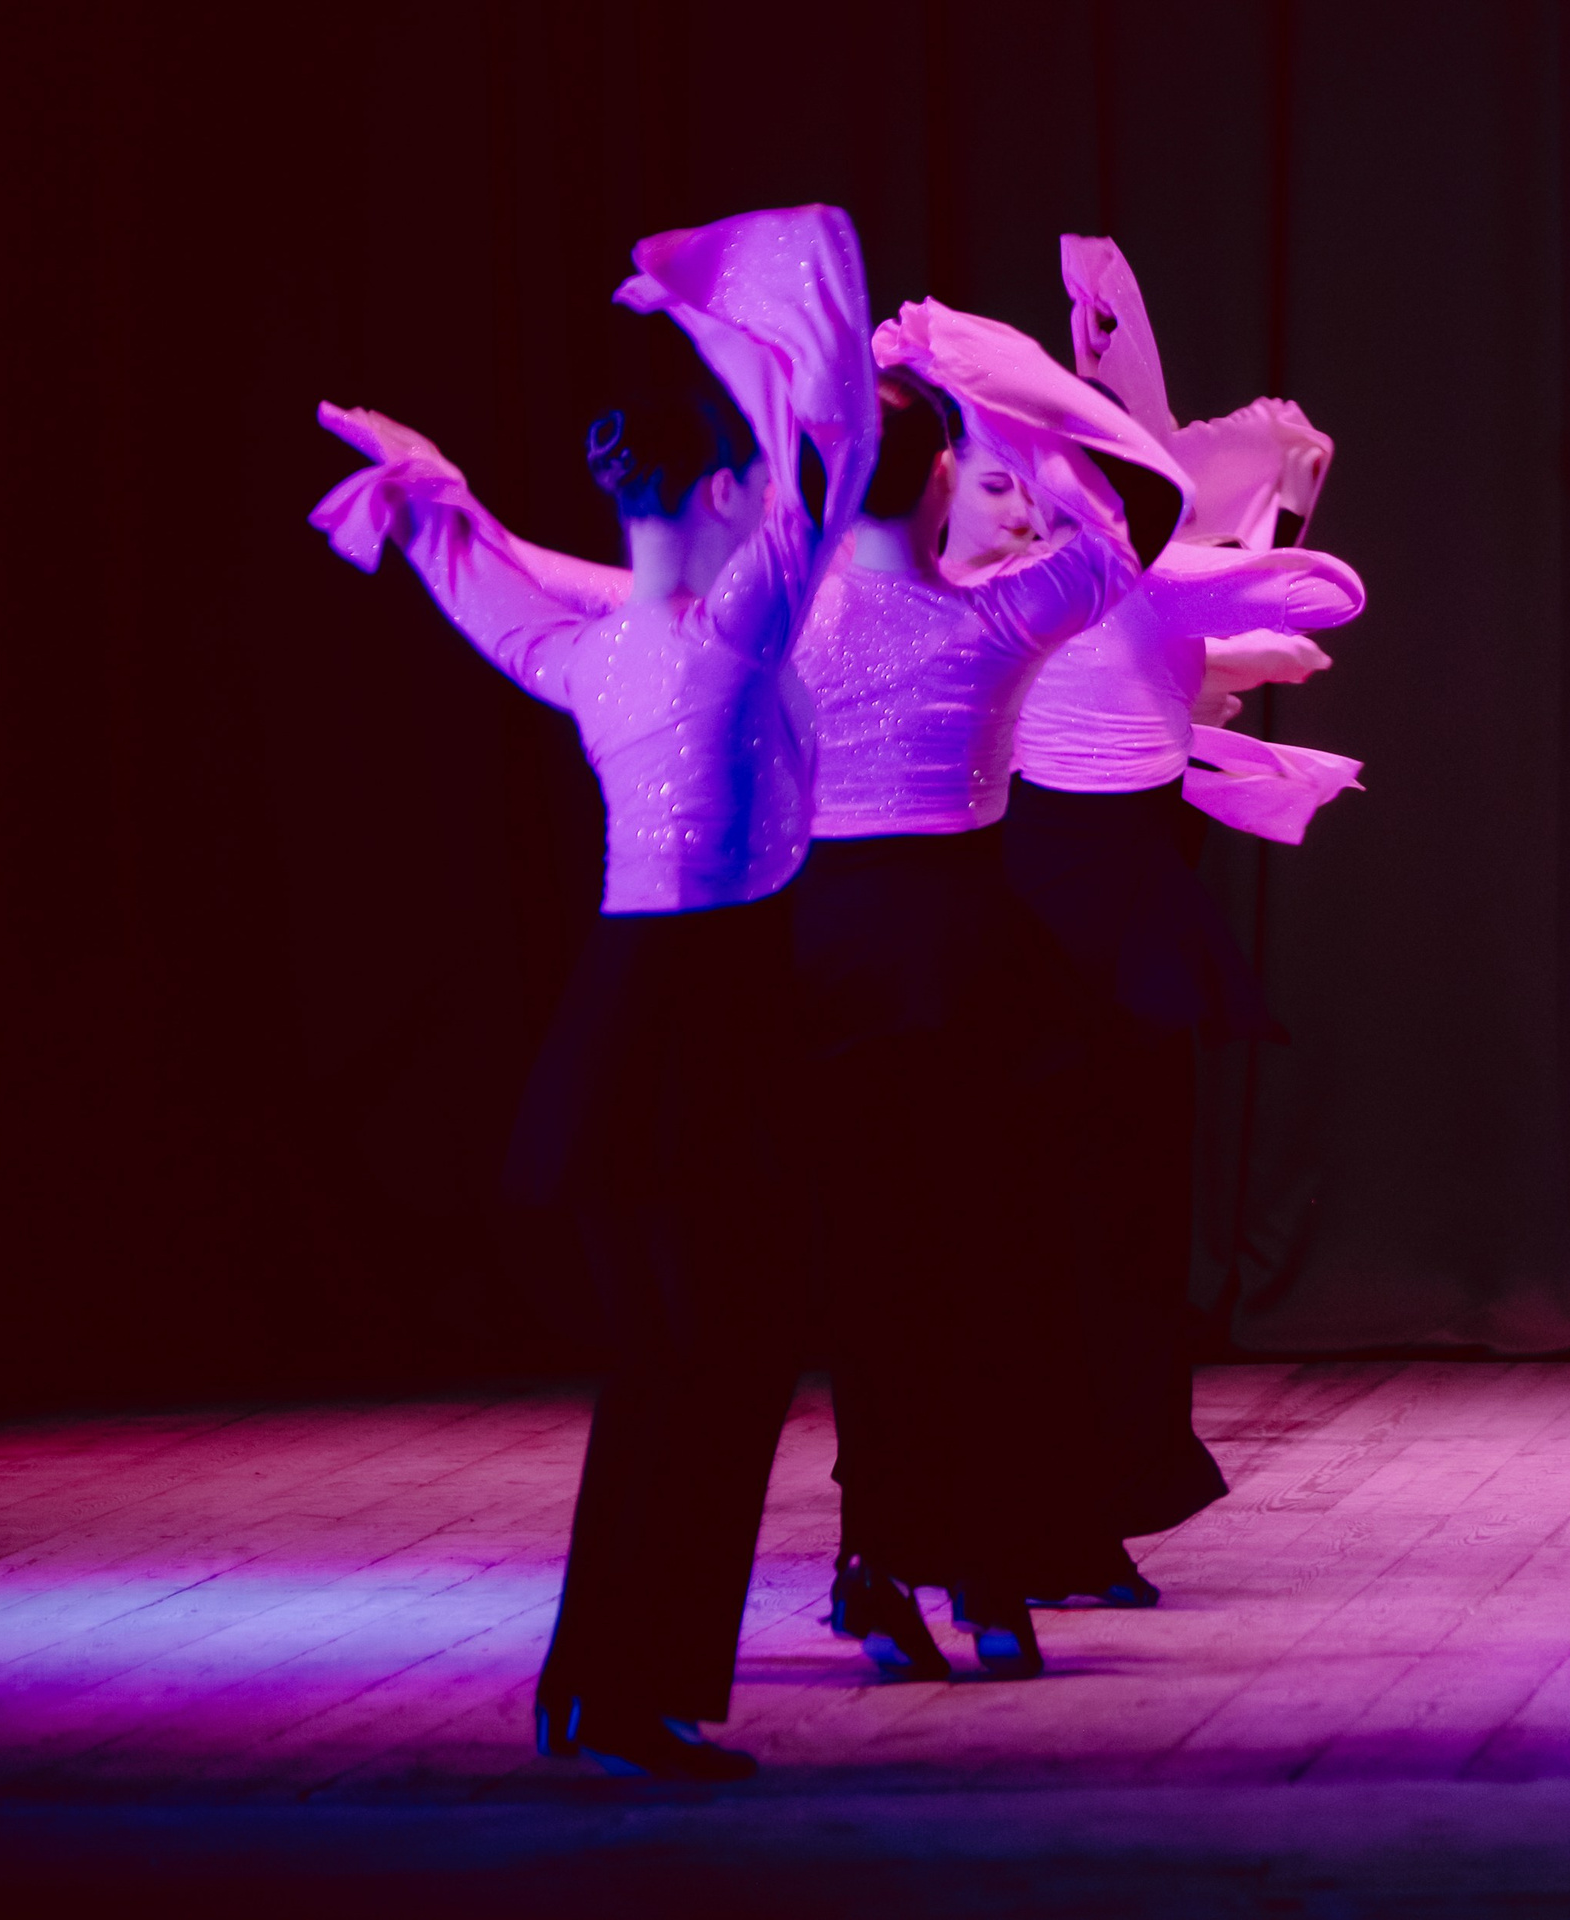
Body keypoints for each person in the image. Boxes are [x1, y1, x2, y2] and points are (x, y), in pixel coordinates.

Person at [307, 205, 876, 1780]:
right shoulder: (724, 643)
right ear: (723, 498)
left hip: (630, 1029)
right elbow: (829, 472)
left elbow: (463, 566)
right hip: (704, 1029)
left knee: (675, 1366)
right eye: (753, 490)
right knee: (712, 1366)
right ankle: (626, 1690)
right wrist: (738, 336)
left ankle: (601, 1685)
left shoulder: (591, 661)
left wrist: (434, 490)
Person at [793, 297, 1364, 1680]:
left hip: (921, 961)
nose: (1005, 502)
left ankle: (968, 1543)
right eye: (978, 475)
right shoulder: (971, 618)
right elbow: (1145, 530)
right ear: (937, 480)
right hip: (940, 959)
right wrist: (1017, 392)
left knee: (966, 1261)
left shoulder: (865, 614)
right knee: (942, 1262)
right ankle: (934, 1549)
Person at [984, 234, 1365, 1603]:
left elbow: (1286, 615)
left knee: (1115, 1212)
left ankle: (1089, 1489)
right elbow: (1290, 605)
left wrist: (1268, 505)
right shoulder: (1045, 579)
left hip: (1109, 898)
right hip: (1047, 901)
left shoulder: (1127, 575)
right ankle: (1031, 1497)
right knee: (1061, 1213)